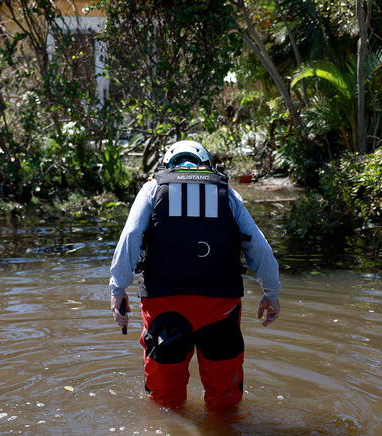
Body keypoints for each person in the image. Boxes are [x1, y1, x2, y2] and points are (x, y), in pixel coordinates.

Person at [109, 140, 281, 411]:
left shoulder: (152, 189)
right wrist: (271, 293)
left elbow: (130, 237)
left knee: (165, 403)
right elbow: (258, 246)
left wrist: (118, 288)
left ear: (166, 165)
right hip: (219, 308)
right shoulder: (227, 193)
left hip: (165, 306)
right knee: (225, 402)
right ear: (208, 165)